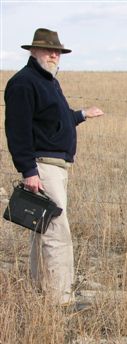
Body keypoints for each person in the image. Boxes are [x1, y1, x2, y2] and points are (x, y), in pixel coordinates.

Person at [4, 28, 104, 306]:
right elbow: (18, 131)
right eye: (48, 49)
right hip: (42, 167)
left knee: (43, 229)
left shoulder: (48, 81)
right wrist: (28, 171)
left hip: (53, 167)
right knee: (57, 232)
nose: (54, 54)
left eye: (57, 51)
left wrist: (82, 115)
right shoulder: (24, 83)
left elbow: (55, 121)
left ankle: (42, 289)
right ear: (32, 51)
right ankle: (60, 299)